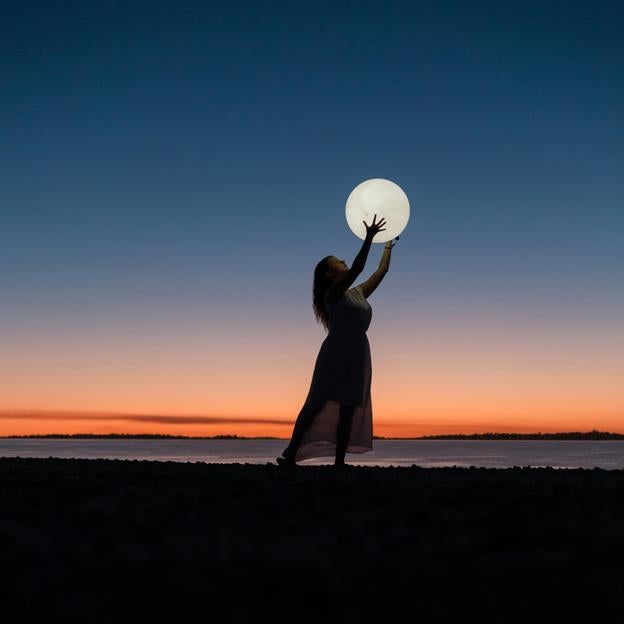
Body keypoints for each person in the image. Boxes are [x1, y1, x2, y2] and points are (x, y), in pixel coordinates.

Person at [276, 214, 397, 467]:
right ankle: (291, 453)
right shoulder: (333, 293)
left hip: (358, 351)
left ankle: (339, 462)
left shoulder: (357, 293)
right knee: (316, 401)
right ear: (330, 273)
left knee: (349, 407)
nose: (343, 261)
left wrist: (386, 245)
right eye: (338, 261)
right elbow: (358, 268)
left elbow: (380, 271)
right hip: (335, 351)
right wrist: (369, 238)